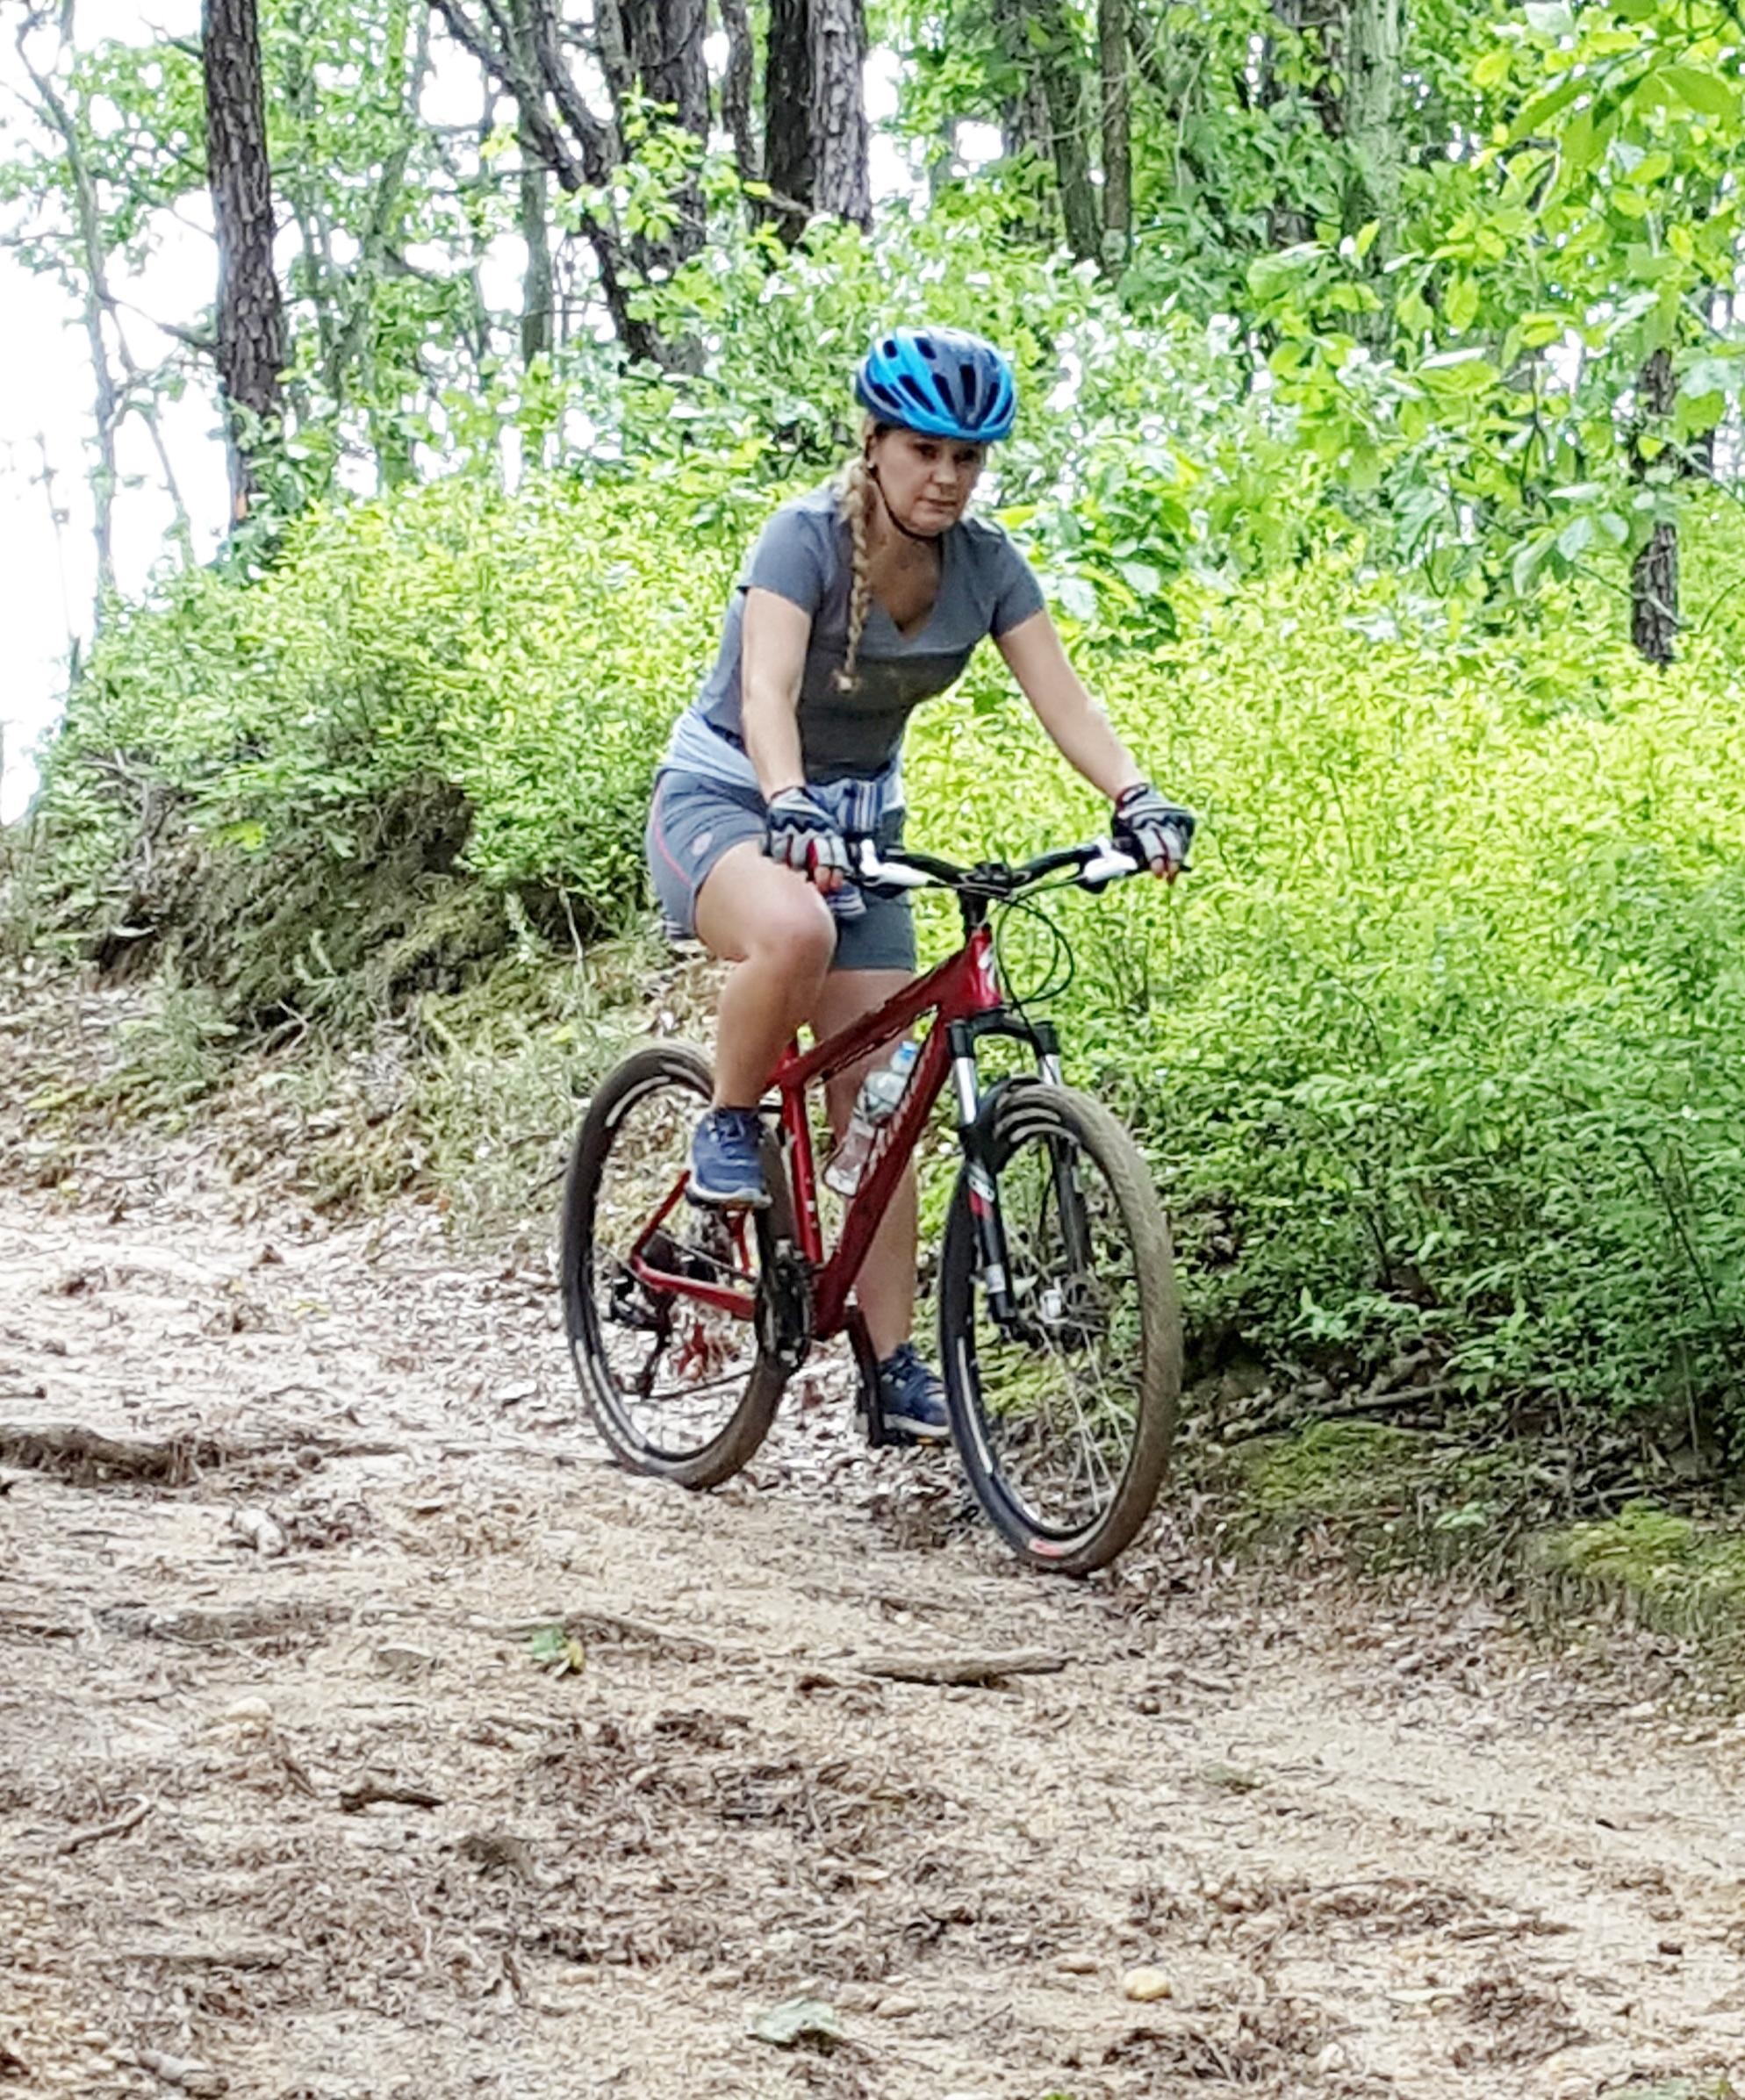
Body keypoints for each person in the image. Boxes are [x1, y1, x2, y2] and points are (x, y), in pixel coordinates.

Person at [645, 325, 1194, 1443]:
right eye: (925, 451)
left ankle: (891, 1367)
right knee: (790, 931)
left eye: (969, 458)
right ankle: (728, 1127)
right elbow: (762, 691)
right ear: (875, 445)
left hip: (853, 829)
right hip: (728, 800)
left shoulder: (985, 566)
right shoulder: (802, 540)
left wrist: (1135, 797)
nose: (946, 477)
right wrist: (788, 799)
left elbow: (1064, 699)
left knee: (886, 1103)